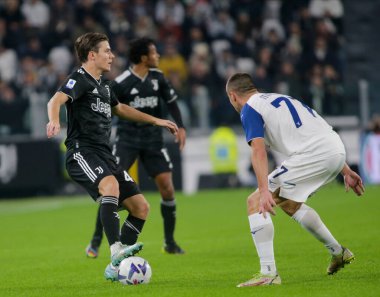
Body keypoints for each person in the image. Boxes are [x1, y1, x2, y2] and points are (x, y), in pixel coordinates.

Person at [46, 32, 179, 281]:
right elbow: (56, 100)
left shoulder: (104, 85)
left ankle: (115, 268)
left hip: (105, 155)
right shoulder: (80, 78)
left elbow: (122, 109)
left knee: (141, 207)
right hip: (81, 152)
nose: (112, 55)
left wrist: (156, 120)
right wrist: (54, 119)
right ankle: (116, 250)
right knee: (110, 185)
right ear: (92, 55)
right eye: (107, 51)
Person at [225, 73, 364, 287]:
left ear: (233, 96)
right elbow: (314, 130)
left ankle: (268, 273)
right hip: (335, 148)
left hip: (315, 154)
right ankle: (339, 252)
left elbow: (258, 151)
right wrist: (344, 168)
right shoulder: (277, 98)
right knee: (290, 204)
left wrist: (264, 190)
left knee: (254, 202)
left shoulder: (249, 109)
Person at [85, 37, 187, 257]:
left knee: (167, 187)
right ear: (143, 57)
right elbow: (110, 107)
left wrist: (181, 126)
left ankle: (170, 242)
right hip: (127, 141)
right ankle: (95, 242)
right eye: (154, 52)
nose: (158, 56)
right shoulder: (121, 83)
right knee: (110, 189)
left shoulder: (158, 78)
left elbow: (171, 103)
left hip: (153, 141)